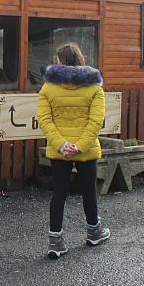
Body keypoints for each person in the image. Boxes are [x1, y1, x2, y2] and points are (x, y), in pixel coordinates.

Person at [36, 43, 110, 259]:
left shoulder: (48, 88)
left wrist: (61, 144)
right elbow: (96, 121)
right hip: (85, 150)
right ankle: (94, 231)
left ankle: (55, 242)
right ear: (80, 59)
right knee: (89, 191)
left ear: (59, 60)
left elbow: (44, 119)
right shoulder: (95, 87)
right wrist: (79, 146)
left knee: (59, 194)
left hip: (60, 151)